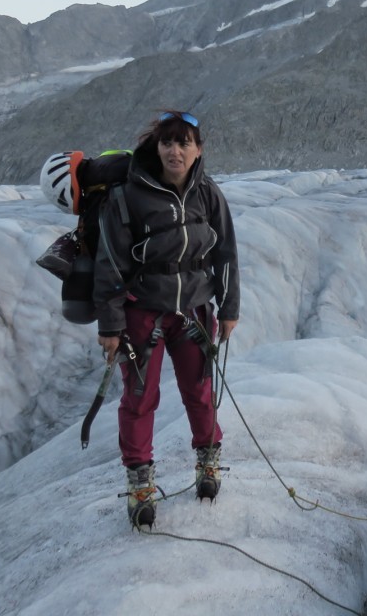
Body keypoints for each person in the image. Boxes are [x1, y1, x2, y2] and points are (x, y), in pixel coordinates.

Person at [94, 111, 240, 527]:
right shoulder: (128, 195)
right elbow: (109, 263)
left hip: (194, 310)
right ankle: (140, 484)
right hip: (142, 314)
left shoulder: (208, 195)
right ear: (156, 147)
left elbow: (225, 254)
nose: (175, 150)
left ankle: (208, 464)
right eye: (167, 142)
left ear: (198, 150)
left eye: (184, 142)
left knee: (200, 389)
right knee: (140, 398)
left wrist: (228, 308)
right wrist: (110, 325)